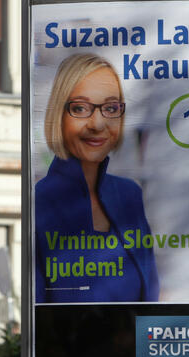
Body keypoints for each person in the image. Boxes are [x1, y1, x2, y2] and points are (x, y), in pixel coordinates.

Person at [35, 53, 159, 302]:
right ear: (58, 114)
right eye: (80, 108)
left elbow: (150, 296)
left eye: (110, 108)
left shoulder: (129, 194)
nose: (98, 124)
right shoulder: (39, 200)